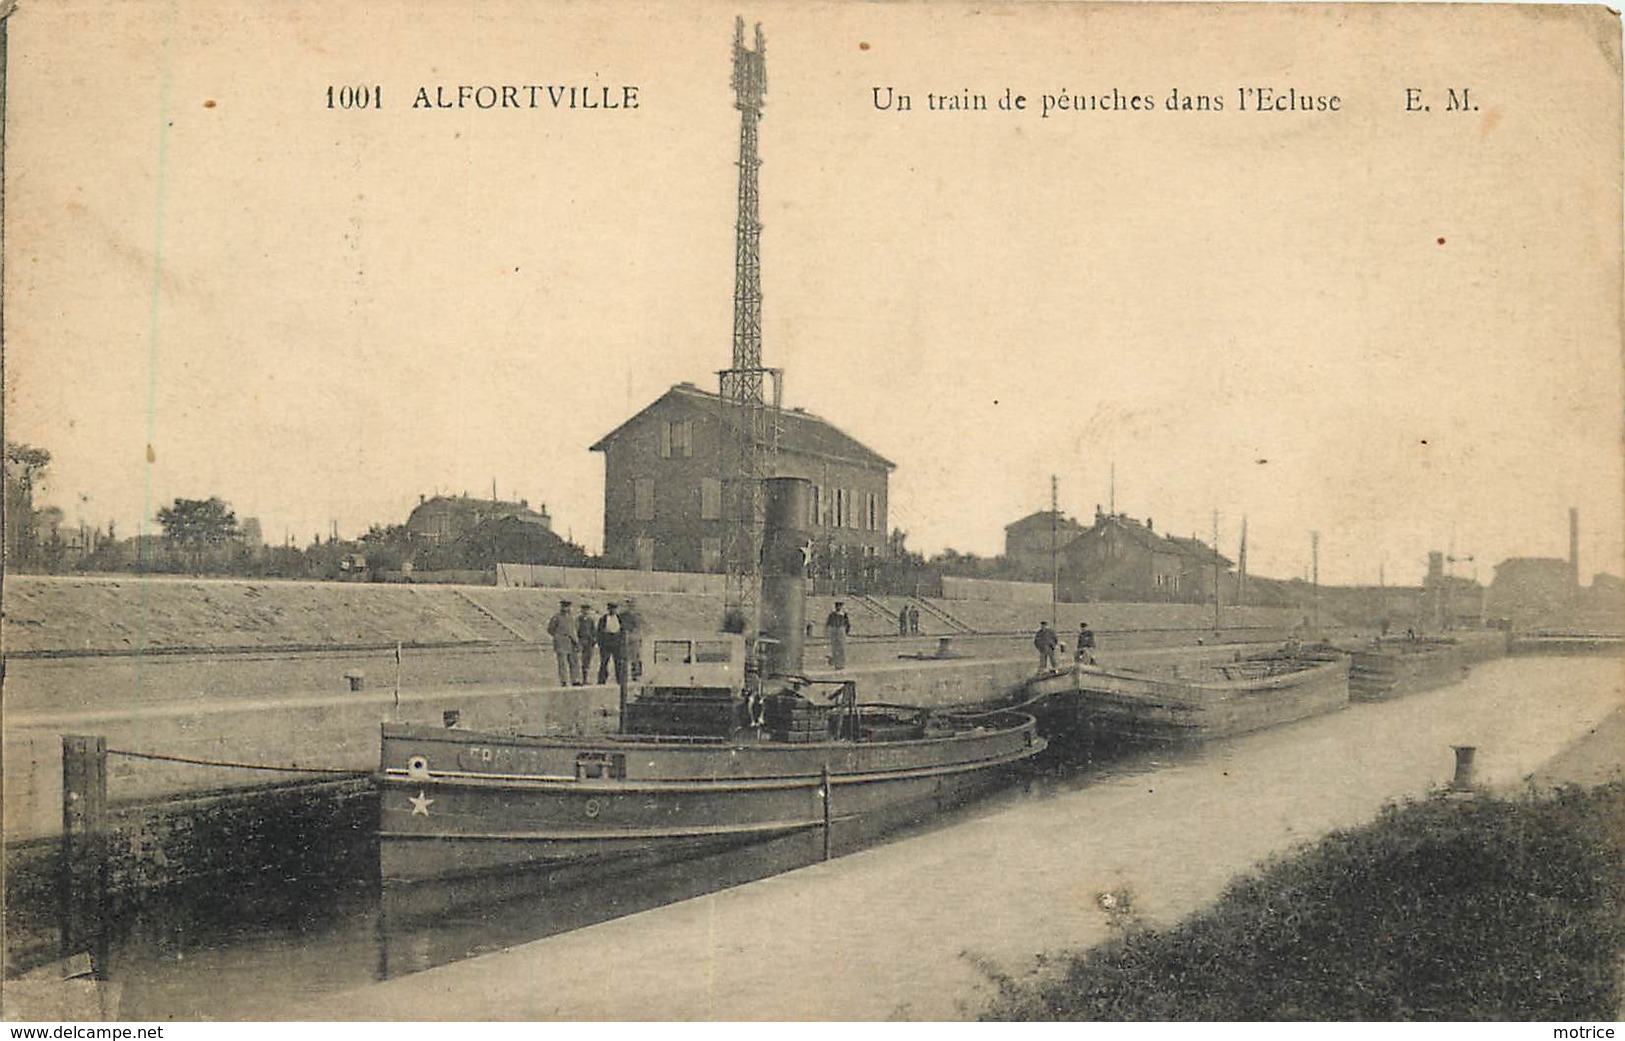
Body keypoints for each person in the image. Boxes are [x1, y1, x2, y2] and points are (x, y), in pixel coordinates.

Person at [546, 599, 579, 687]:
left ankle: (574, 679)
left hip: (570, 642)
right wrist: (557, 636)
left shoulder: (571, 618)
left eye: (567, 607)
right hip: (561, 643)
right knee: (562, 663)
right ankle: (563, 680)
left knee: (573, 662)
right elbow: (550, 629)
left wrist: (576, 642)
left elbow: (573, 630)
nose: (565, 608)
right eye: (564, 606)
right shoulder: (556, 617)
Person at [597, 602, 625, 685]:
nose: (612, 610)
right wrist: (601, 643)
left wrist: (621, 641)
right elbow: (599, 631)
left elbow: (623, 631)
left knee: (618, 662)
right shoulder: (603, 618)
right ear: (608, 609)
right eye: (610, 608)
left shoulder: (619, 618)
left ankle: (620, 680)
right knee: (604, 662)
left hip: (616, 642)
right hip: (606, 643)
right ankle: (601, 680)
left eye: (614, 609)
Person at [621, 597, 644, 682]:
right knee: (625, 657)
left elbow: (640, 627)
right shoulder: (622, 616)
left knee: (636, 657)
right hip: (625, 637)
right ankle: (624, 675)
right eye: (629, 604)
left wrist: (639, 637)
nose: (631, 606)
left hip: (635, 638)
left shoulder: (638, 615)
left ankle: (636, 675)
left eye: (632, 604)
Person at [576, 602, 598, 686]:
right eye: (584, 609)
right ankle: (578, 679)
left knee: (587, 661)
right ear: (581, 610)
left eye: (587, 610)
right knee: (579, 660)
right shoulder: (578, 619)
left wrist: (594, 640)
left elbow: (594, 631)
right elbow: (576, 630)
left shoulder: (591, 620)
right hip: (581, 641)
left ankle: (585, 679)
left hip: (589, 643)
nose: (585, 611)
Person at [825, 601, 852, 669]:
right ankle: (836, 664)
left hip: (841, 630)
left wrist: (846, 631)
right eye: (837, 606)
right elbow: (828, 623)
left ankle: (841, 664)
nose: (838, 607)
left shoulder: (844, 614)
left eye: (840, 606)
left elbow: (847, 624)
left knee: (841, 648)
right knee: (835, 648)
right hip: (834, 630)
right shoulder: (832, 614)